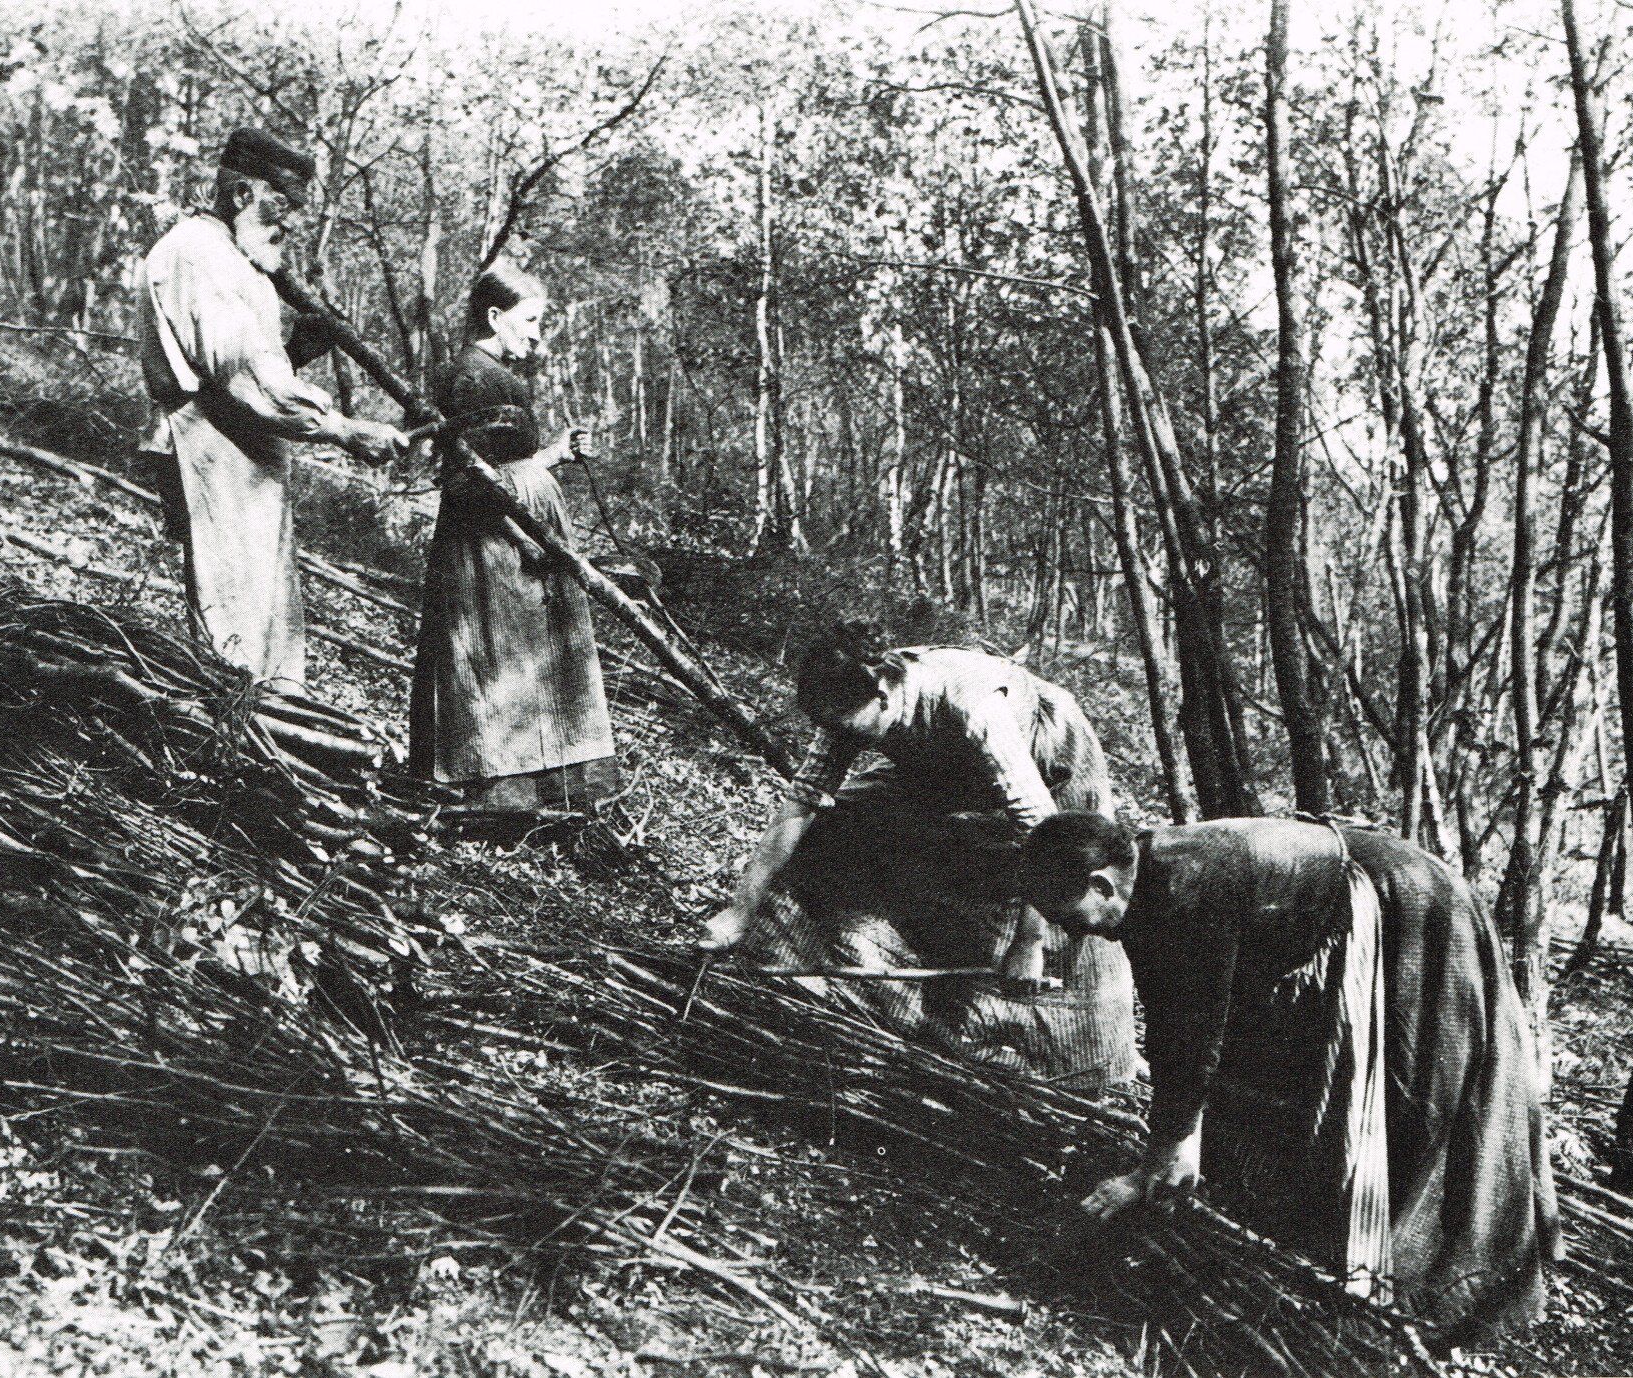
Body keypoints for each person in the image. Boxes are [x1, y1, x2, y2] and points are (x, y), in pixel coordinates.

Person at [1017, 811, 1563, 1337]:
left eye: (1068, 917)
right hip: (1359, 902)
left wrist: (1164, 1157)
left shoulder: (1182, 889)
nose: (1069, 933)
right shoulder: (1149, 881)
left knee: (1415, 1094)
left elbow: (1190, 1034)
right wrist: (1172, 1143)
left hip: (1413, 911)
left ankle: (1430, 1295)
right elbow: (1176, 1024)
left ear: (1102, 884)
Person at [698, 622, 1137, 1086]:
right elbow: (801, 803)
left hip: (1051, 755)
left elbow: (1043, 834)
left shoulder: (973, 708)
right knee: (836, 824)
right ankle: (853, 980)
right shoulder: (849, 708)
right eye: (828, 725)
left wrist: (1029, 943)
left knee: (1073, 890)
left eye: (844, 724)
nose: (837, 735)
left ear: (882, 695)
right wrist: (740, 910)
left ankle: (1081, 1059)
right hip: (947, 764)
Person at [138, 127, 404, 689]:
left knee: (265, 610)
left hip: (244, 454)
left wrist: (298, 349)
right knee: (233, 615)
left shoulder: (236, 256)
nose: (291, 224)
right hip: (211, 451)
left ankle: (270, 718)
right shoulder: (197, 253)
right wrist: (341, 429)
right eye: (282, 206)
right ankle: (240, 723)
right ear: (242, 194)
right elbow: (241, 374)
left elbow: (252, 362)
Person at [407, 262, 617, 815]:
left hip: (514, 528)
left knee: (529, 651)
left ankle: (541, 786)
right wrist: (526, 536)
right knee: (500, 650)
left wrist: (555, 454)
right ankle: (501, 791)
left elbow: (504, 463)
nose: (537, 334)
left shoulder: (490, 374)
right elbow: (470, 477)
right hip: (496, 539)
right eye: (530, 320)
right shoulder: (473, 375)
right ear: (496, 317)